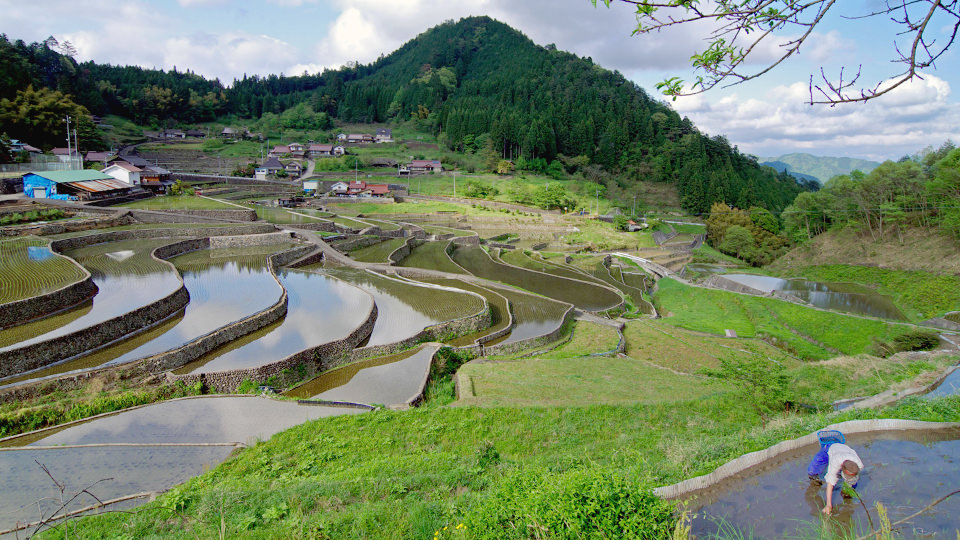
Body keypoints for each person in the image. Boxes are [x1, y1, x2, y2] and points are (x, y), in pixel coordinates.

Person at [807, 442, 864, 516]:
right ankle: (813, 478)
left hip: (846, 449)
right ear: (842, 468)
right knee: (813, 469)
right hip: (831, 448)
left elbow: (855, 478)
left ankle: (846, 492)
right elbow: (830, 485)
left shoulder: (859, 465)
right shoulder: (835, 462)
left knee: (852, 482)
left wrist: (848, 488)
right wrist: (828, 505)